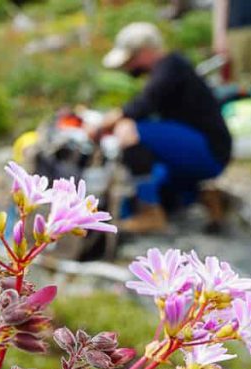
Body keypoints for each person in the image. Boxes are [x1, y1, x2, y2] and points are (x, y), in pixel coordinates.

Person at [98, 22, 233, 234]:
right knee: (153, 185)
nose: (129, 67)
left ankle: (150, 214)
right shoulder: (170, 69)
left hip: (209, 150)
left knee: (129, 130)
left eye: (131, 59)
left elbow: (142, 105)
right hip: (203, 150)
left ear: (144, 52)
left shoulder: (171, 66)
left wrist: (106, 123)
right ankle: (205, 197)